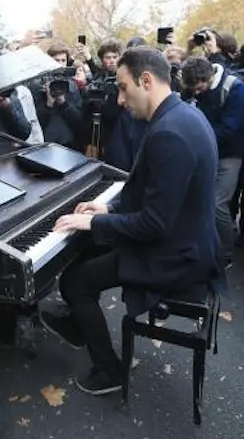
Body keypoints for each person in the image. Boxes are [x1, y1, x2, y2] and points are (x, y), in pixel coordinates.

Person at [40, 47, 224, 395]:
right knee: (87, 255)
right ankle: (80, 324)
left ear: (146, 80)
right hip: (186, 238)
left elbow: (154, 223)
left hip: (174, 254)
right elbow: (155, 191)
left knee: (77, 281)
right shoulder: (185, 115)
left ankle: (109, 372)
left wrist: (93, 225)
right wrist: (107, 210)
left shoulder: (169, 133)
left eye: (123, 88)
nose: (120, 100)